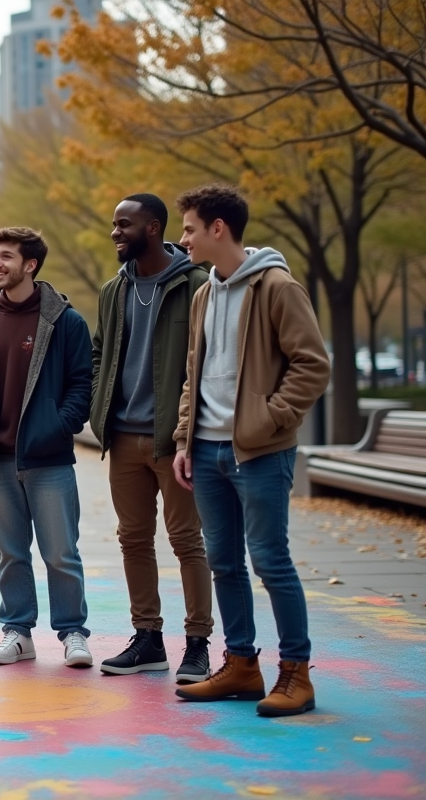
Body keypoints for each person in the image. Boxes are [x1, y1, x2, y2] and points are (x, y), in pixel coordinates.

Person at [171, 185, 329, 716]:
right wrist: (184, 439)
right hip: (209, 452)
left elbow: (312, 364)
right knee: (224, 562)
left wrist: (269, 420)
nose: (183, 238)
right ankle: (241, 665)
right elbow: (194, 376)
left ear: (219, 229)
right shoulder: (204, 293)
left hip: (259, 452)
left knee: (270, 560)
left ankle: (296, 673)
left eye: (190, 228)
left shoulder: (278, 286)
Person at [0, 227, 95, 668]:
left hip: (49, 460)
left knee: (60, 553)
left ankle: (72, 633)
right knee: (10, 554)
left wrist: (58, 426)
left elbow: (81, 384)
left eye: (6, 256)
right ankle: (18, 632)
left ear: (30, 265)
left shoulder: (65, 322)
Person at [90, 194, 215, 683]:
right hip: (123, 438)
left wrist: (189, 434)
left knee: (187, 541)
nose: (116, 232)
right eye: (114, 224)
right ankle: (148, 639)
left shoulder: (197, 285)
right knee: (133, 540)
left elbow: (206, 361)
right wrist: (104, 412)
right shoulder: (112, 291)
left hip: (175, 441)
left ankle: (199, 644)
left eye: (125, 224)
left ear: (154, 227)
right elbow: (100, 353)